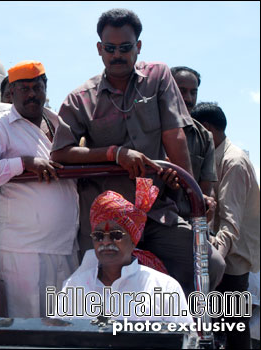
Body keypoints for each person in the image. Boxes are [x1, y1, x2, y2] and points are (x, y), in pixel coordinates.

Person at [50, 8, 225, 295]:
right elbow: (60, 153)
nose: (117, 55)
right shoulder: (80, 98)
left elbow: (174, 134)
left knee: (209, 264)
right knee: (103, 289)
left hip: (155, 212)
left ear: (138, 47)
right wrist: (115, 154)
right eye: (110, 48)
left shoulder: (158, 76)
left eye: (125, 47)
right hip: (108, 222)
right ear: (99, 49)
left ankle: (176, 326)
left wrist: (187, 188)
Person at [0, 61, 79, 317]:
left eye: (37, 87)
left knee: (65, 326)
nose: (31, 94)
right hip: (25, 252)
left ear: (45, 88)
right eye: (24, 88)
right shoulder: (0, 127)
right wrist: (23, 164)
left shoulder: (55, 121)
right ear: (12, 93)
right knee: (27, 329)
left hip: (65, 247)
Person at [57, 178, 192, 325]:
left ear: (134, 240)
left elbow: (186, 339)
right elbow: (58, 339)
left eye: (116, 235)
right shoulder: (74, 286)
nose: (106, 242)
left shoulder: (164, 288)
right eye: (99, 236)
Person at [192, 102, 260, 349]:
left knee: (235, 327)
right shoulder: (217, 157)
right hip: (222, 255)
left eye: (195, 133)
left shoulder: (233, 162)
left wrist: (213, 263)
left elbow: (231, 222)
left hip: (232, 261)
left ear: (207, 130)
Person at [170, 66, 217, 220]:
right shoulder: (149, 128)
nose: (188, 98)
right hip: (152, 218)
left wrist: (208, 204)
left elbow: (205, 190)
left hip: (188, 220)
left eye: (193, 92)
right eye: (181, 91)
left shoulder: (204, 137)